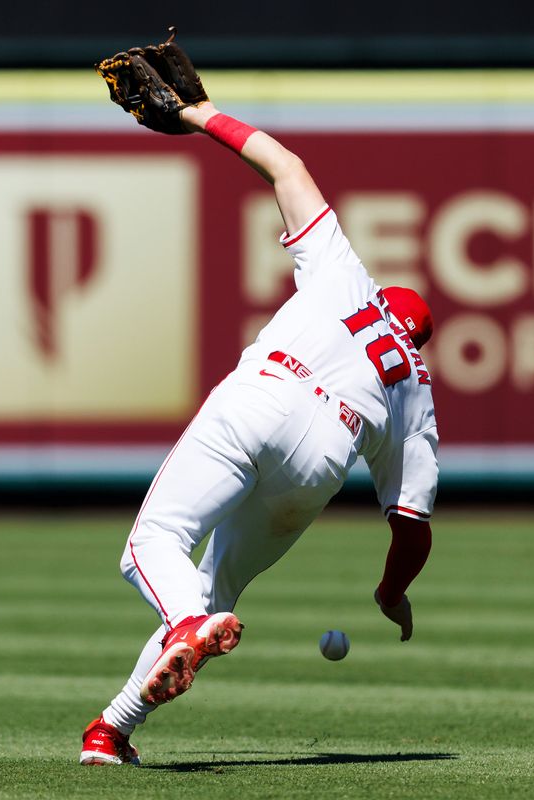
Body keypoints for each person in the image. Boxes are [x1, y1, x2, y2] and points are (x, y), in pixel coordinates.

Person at [80, 88, 438, 767]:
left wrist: (198, 113)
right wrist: (391, 595)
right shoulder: (415, 386)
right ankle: (111, 732)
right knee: (213, 591)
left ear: (385, 298)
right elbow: (411, 524)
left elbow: (286, 167)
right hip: (321, 462)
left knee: (155, 544)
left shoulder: (349, 279)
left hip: (267, 397)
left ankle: (186, 626)